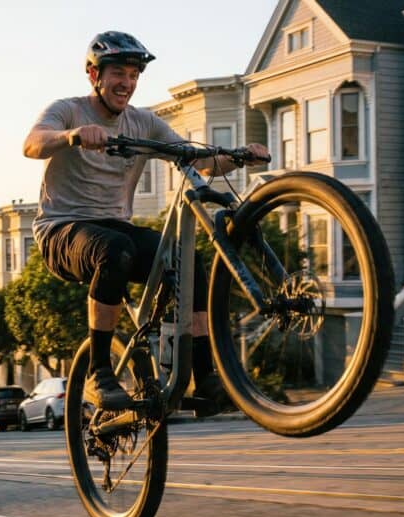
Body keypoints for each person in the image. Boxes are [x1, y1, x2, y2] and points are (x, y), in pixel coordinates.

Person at [23, 31, 270, 411]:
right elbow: (33, 144)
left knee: (189, 261)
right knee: (116, 250)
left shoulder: (146, 123)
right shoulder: (68, 110)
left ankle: (203, 378)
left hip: (114, 225)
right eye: (118, 73)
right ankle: (99, 373)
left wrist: (239, 157)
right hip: (61, 229)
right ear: (94, 75)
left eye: (134, 75)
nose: (127, 83)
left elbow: (197, 160)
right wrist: (72, 136)